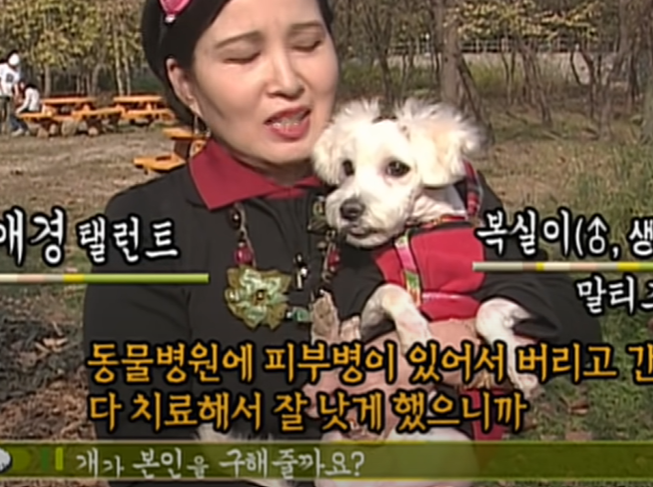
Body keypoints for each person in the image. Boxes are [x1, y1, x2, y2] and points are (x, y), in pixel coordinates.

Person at [83, 2, 601, 487]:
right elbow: (142, 454)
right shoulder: (147, 225)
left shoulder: (431, 189)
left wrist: (443, 346)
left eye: (307, 44)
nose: (287, 81)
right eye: (243, 56)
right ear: (186, 83)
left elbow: (569, 317)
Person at [0, 52, 23, 137]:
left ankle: (9, 129)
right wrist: (2, 90)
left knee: (10, 113)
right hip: (0, 94)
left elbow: (15, 84)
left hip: (9, 94)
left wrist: (16, 94)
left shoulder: (17, 71)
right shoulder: (2, 67)